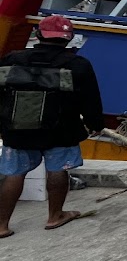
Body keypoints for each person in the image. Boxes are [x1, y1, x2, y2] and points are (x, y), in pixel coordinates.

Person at [0, 15, 105, 238]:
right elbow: (90, 99)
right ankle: (55, 216)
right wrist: (95, 124)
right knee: (57, 170)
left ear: (38, 34)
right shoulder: (78, 65)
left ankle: (1, 225)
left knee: (14, 174)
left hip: (17, 129)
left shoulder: (11, 60)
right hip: (61, 129)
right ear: (69, 39)